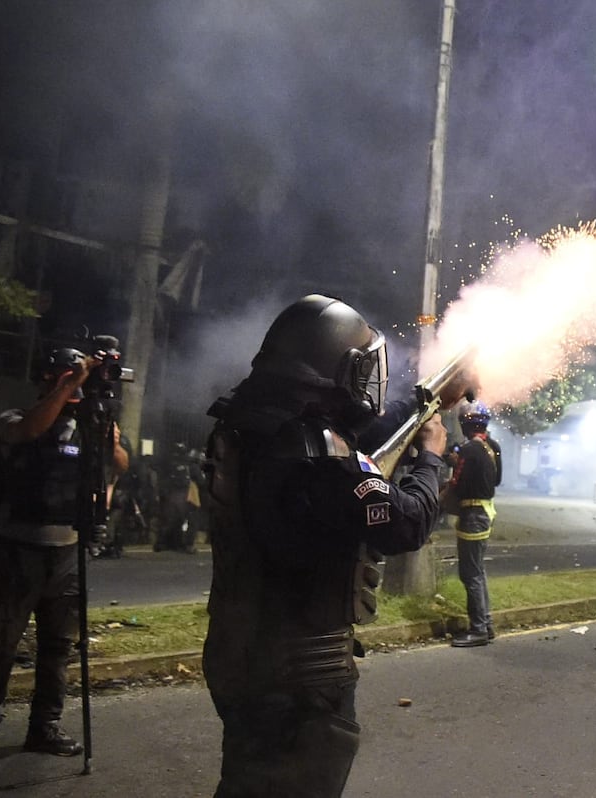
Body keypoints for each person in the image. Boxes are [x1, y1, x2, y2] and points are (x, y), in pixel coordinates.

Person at [202, 294, 473, 798]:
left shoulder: (250, 424)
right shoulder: (318, 456)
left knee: (248, 782)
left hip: (239, 646)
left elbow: (353, 436)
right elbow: (407, 523)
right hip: (301, 670)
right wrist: (431, 456)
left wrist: (422, 404)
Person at [0, 347, 129, 768]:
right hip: (15, 550)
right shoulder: (16, 417)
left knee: (58, 647)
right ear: (48, 379)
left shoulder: (88, 424)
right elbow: (30, 431)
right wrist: (72, 383)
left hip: (67, 553)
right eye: (65, 377)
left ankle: (44, 727)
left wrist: (107, 433)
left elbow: (120, 464)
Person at [447, 400, 502, 648]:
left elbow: (457, 485)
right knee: (478, 571)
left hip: (472, 514)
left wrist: (454, 461)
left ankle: (478, 629)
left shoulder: (468, 450)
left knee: (470, 574)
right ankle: (486, 624)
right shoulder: (493, 446)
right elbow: (496, 480)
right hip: (486, 511)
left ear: (464, 424)